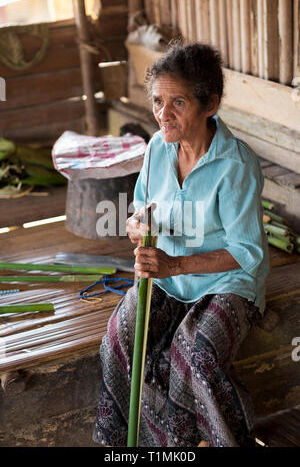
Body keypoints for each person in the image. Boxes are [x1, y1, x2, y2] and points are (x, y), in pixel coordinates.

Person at [93, 42, 269, 448]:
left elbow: (248, 252)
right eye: (157, 101)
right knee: (119, 339)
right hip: (169, 277)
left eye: (178, 102)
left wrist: (173, 265)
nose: (162, 114)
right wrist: (138, 226)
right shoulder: (157, 148)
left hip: (228, 282)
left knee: (194, 357)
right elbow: (142, 207)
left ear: (210, 104)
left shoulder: (236, 165)